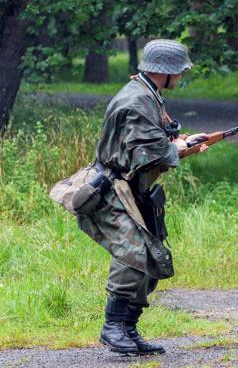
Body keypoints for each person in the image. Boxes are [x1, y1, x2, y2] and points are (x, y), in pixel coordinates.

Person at [76, 39, 208, 355]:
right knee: (133, 253)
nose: (181, 75)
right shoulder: (137, 101)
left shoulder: (149, 94)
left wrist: (181, 142)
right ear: (166, 72)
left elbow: (153, 139)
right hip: (112, 190)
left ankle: (128, 329)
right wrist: (175, 148)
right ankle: (112, 327)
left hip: (133, 190)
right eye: (179, 71)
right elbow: (143, 155)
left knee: (151, 258)